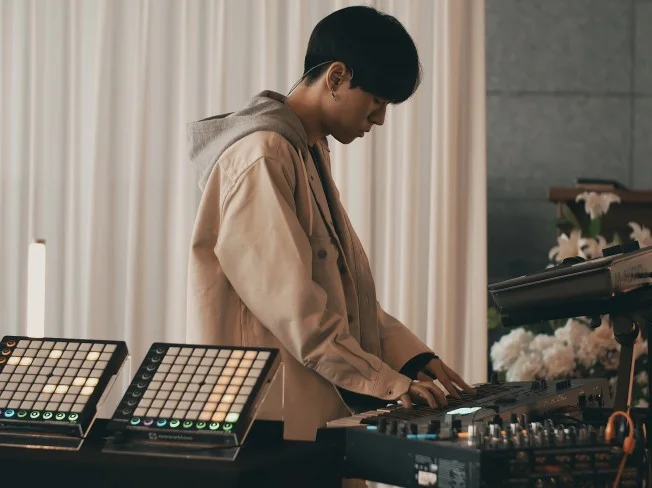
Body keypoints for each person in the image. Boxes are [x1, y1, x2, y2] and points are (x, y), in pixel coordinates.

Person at [186, 5, 474, 443]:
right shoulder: (264, 155)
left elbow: (344, 296)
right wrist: (388, 383)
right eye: (376, 101)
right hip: (267, 425)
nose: (379, 119)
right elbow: (295, 309)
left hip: (302, 414)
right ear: (336, 77)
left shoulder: (305, 150)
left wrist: (410, 358)